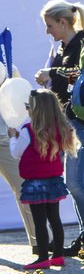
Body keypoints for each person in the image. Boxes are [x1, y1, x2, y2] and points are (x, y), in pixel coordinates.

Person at [35, 0, 84, 258]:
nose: (48, 32)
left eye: (50, 26)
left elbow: (79, 72)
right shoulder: (65, 46)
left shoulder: (83, 44)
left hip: (79, 121)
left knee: (74, 181)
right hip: (66, 122)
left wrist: (50, 72)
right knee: (69, 181)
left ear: (63, 23)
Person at [7, 89, 79, 269]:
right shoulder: (60, 128)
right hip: (54, 180)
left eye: (27, 106)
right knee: (55, 218)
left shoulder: (28, 130)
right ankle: (58, 255)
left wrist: (12, 138)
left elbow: (16, 153)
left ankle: (42, 258)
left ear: (34, 109)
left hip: (35, 182)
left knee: (39, 221)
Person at [0, 66, 39, 252]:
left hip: (5, 137)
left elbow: (21, 102)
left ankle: (39, 240)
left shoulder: (8, 65)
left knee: (23, 186)